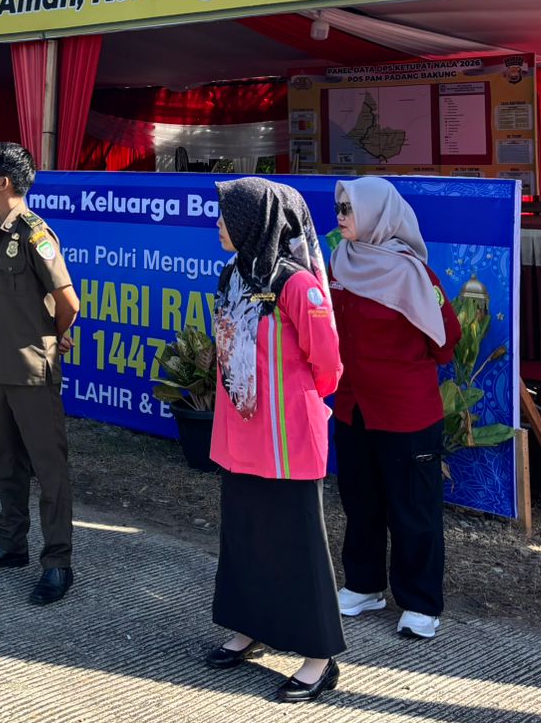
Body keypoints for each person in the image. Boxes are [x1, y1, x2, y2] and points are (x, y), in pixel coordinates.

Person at [205, 177, 344, 703]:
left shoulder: (297, 285)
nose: (219, 224)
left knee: (296, 545)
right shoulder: (233, 274)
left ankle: (318, 658)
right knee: (245, 537)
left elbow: (327, 364)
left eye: (227, 216)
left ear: (253, 222)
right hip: (240, 433)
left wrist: (291, 400)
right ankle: (249, 627)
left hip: (287, 438)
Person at [330, 177, 461, 642]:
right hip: (354, 409)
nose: (340, 216)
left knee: (413, 510)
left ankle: (420, 603)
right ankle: (364, 586)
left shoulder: (413, 274)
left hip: (406, 414)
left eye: (349, 209)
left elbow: (446, 341)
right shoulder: (339, 262)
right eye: (339, 207)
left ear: (377, 214)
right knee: (360, 503)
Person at [0, 141, 79, 606]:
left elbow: (68, 302)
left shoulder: (34, 234)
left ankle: (58, 562)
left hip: (30, 369)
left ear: (3, 182)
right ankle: (10, 543)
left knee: (49, 469)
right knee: (6, 463)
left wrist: (50, 336)